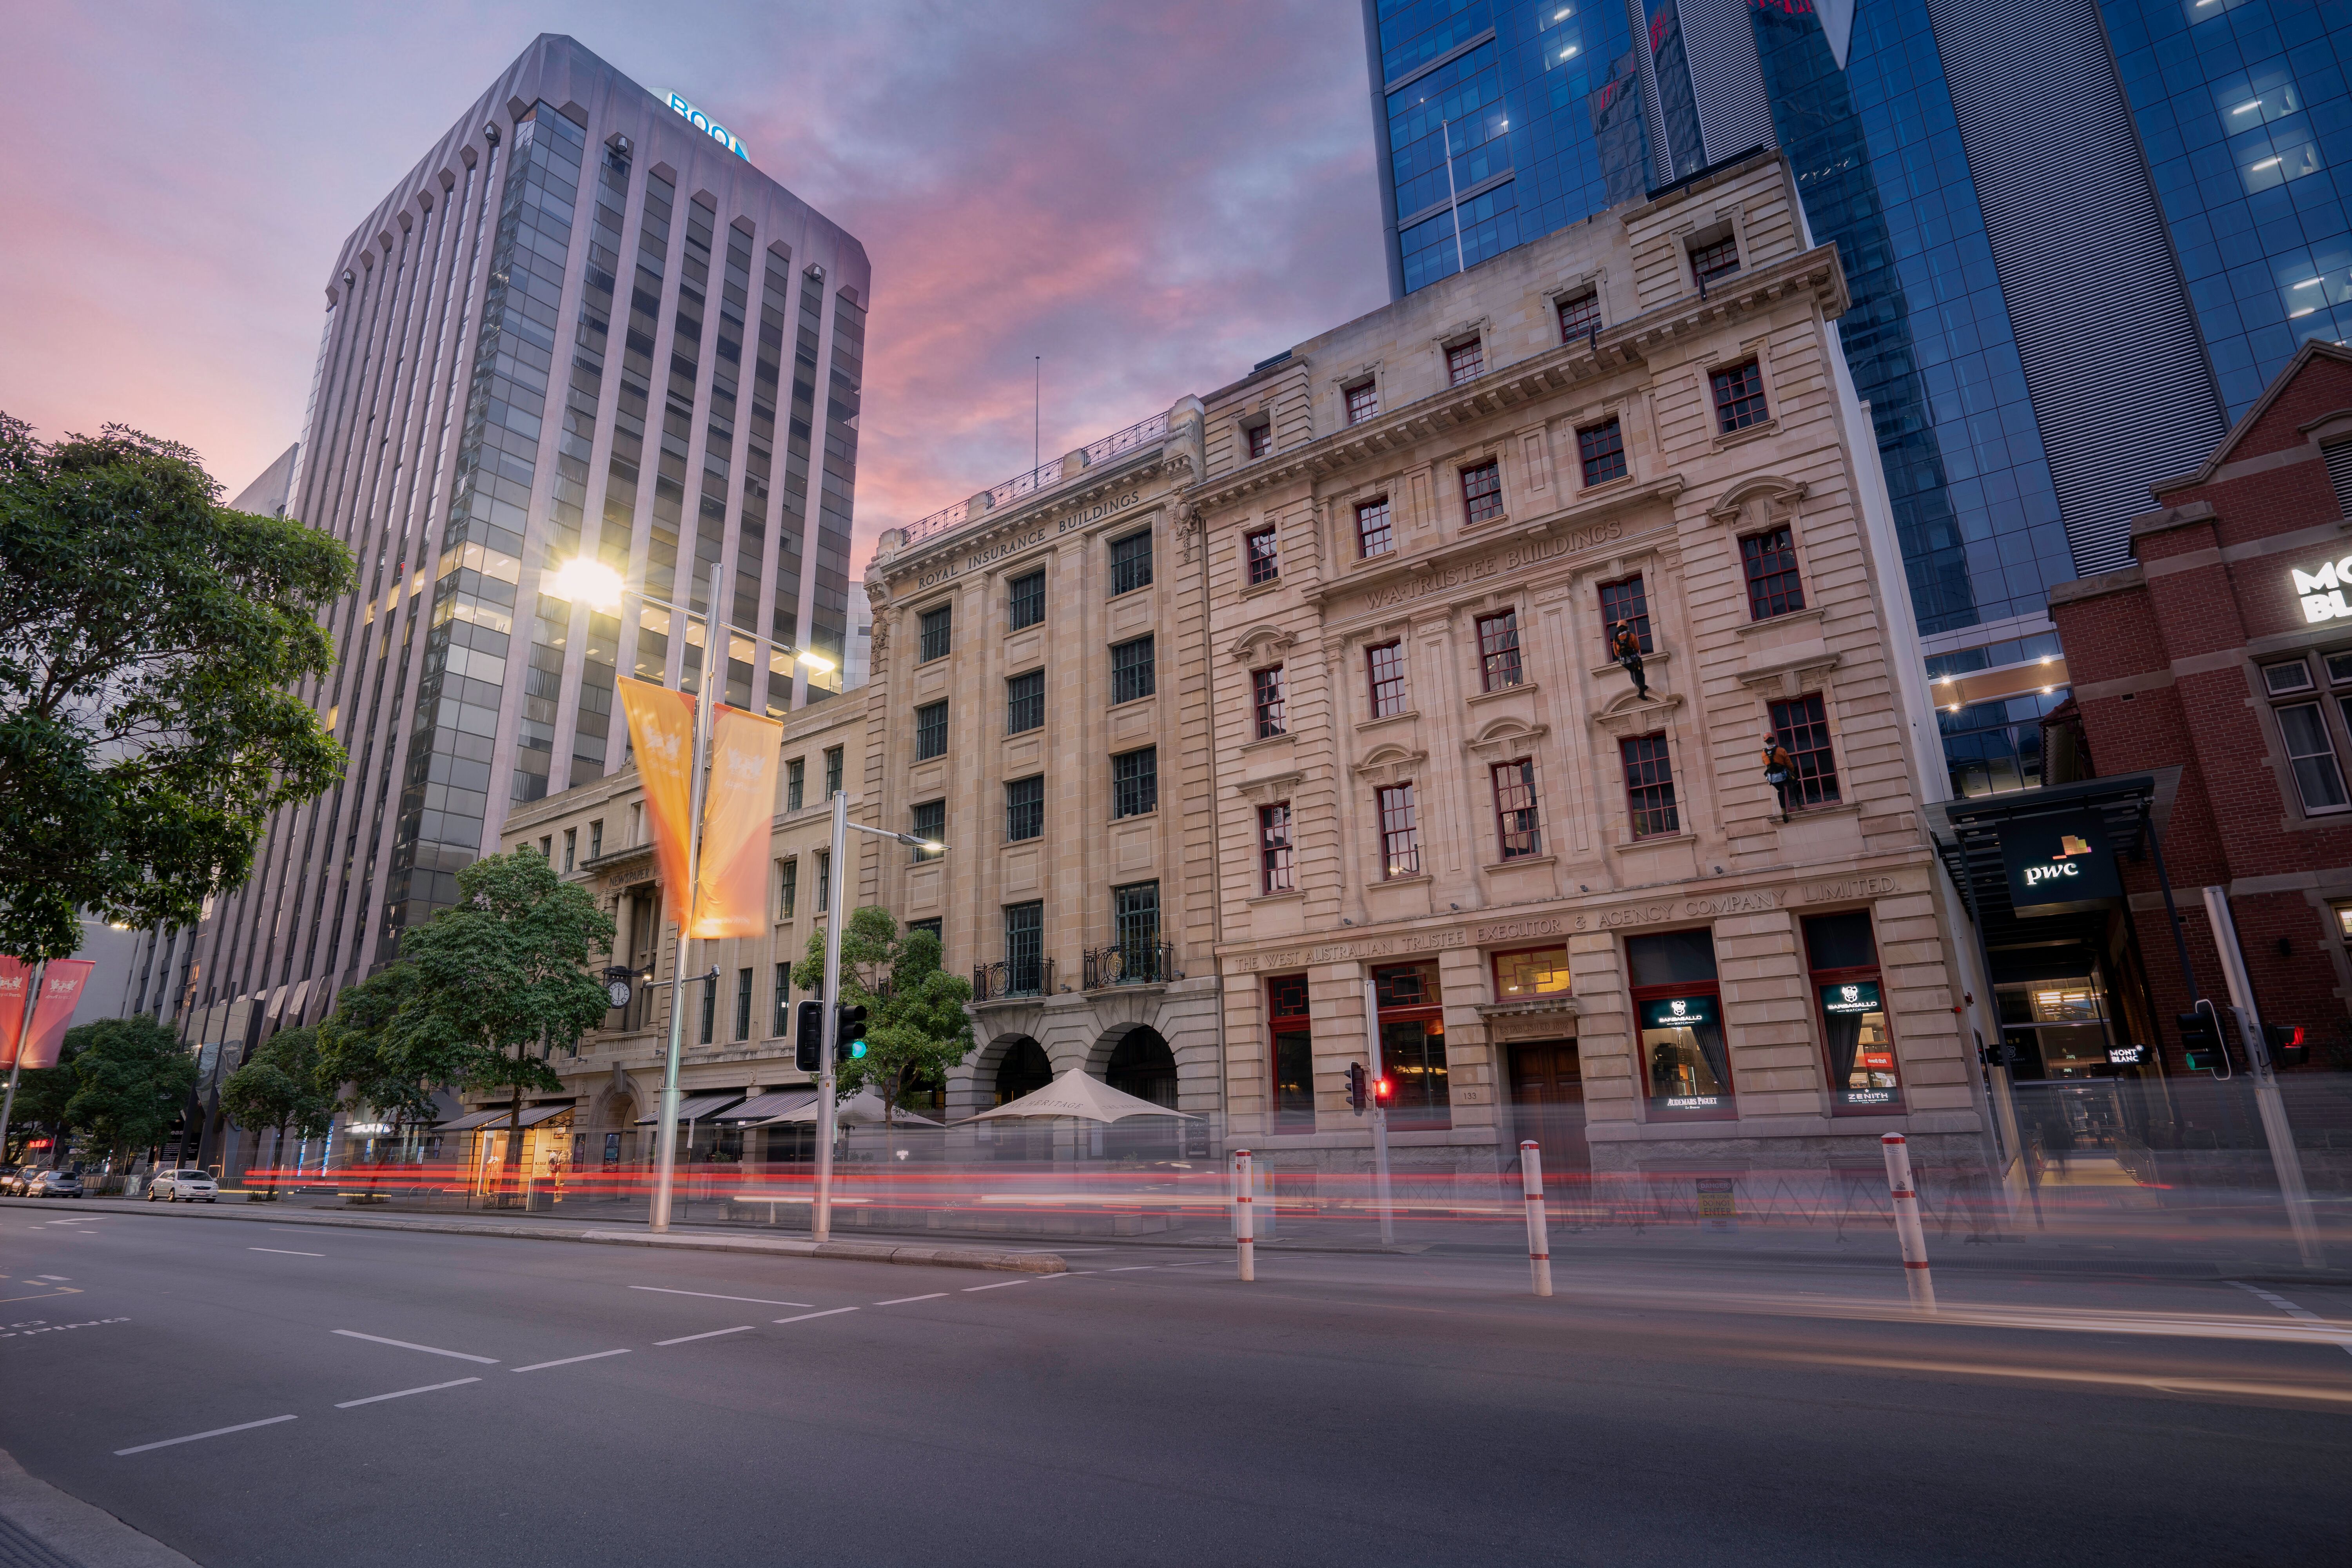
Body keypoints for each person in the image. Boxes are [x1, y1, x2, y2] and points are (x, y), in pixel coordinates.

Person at [1761, 732, 1796, 822]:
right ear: (1774, 739)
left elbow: (1766, 763)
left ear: (1766, 742)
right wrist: (1792, 771)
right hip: (1782, 775)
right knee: (1794, 783)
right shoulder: (1781, 750)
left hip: (1772, 778)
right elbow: (1789, 764)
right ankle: (1798, 804)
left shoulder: (1764, 754)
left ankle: (1783, 811)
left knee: (1781, 791)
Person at [1611, 619, 1648, 699]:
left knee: (1632, 673)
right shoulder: (1631, 636)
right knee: (1640, 672)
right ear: (1626, 627)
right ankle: (1641, 686)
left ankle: (1640, 688)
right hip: (1633, 658)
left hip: (1624, 661)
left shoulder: (1616, 640)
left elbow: (1616, 653)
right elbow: (1637, 648)